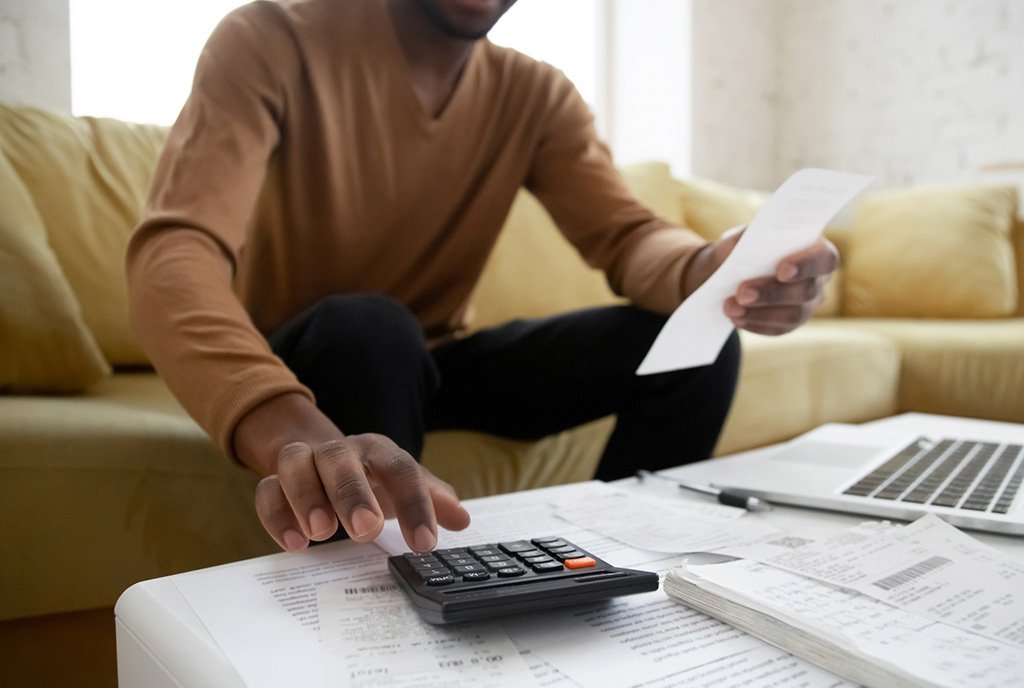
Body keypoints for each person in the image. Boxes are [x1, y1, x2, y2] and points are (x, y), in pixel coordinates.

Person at [126, 0, 837, 556]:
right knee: (370, 328)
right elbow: (176, 247)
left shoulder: (534, 94)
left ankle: (616, 566)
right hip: (313, 365)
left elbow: (628, 236)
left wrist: (713, 271)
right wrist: (288, 422)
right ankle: (378, 613)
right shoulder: (268, 40)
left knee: (689, 342)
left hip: (435, 365)